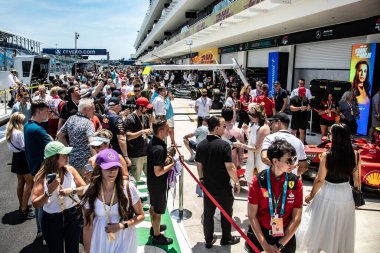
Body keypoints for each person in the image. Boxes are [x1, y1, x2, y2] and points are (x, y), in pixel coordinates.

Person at [296, 123, 360, 253]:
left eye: (330, 133)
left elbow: (320, 179)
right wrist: (357, 196)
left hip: (328, 193)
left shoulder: (327, 155)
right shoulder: (355, 154)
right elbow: (357, 179)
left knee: (319, 226)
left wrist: (311, 195)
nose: (328, 136)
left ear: (336, 137)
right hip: (346, 194)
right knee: (340, 228)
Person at [81, 148, 145, 253]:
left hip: (125, 238)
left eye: (115, 167)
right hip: (100, 239)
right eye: (108, 168)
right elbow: (87, 225)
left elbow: (141, 215)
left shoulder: (128, 188)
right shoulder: (89, 191)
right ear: (99, 169)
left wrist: (122, 225)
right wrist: (87, 251)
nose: (112, 171)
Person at [246, 139, 303, 253]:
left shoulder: (295, 182)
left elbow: (296, 219)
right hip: (260, 235)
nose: (292, 164)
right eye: (288, 160)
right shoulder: (258, 181)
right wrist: (266, 246)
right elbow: (252, 216)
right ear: (275, 161)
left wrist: (280, 245)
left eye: (294, 159)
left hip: (285, 237)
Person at [31, 141, 86, 253]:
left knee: (73, 250)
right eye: (64, 155)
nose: (67, 157)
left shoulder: (70, 170)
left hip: (73, 215)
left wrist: (71, 190)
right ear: (54, 158)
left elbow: (85, 188)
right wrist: (49, 192)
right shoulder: (42, 178)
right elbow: (35, 203)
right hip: (52, 219)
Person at [195, 116, 241, 248]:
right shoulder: (224, 145)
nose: (225, 128)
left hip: (208, 187)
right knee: (226, 213)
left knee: (208, 214)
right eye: (223, 126)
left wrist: (202, 179)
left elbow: (199, 165)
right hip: (223, 188)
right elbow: (230, 167)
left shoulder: (201, 145)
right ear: (216, 128)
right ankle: (226, 238)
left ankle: (208, 240)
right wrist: (236, 182)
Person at [24, 100, 52, 239]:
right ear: (38, 111)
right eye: (47, 111)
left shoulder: (28, 125)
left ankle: (41, 230)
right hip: (41, 169)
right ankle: (43, 231)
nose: (49, 114)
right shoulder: (38, 129)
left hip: (34, 167)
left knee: (39, 200)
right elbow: (53, 146)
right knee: (42, 203)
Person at [147, 120, 174, 245]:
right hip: (158, 184)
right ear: (161, 131)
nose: (169, 131)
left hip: (152, 183)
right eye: (167, 129)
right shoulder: (158, 149)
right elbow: (158, 171)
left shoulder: (153, 142)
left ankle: (154, 228)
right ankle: (157, 236)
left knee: (153, 207)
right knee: (158, 211)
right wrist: (172, 164)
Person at [57, 98, 95, 176]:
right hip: (87, 164)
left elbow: (59, 136)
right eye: (92, 109)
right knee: (89, 185)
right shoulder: (88, 123)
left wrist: (68, 150)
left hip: (72, 161)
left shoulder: (71, 119)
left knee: (76, 185)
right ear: (85, 110)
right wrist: (96, 158)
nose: (94, 111)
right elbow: (92, 143)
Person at [6, 113, 34, 219]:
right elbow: (24, 147)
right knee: (30, 184)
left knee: (20, 183)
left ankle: (22, 204)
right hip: (23, 158)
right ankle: (23, 209)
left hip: (16, 158)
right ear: (19, 122)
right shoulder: (19, 133)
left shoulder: (10, 132)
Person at [235, 103, 270, 185]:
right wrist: (247, 131)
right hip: (252, 159)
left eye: (251, 114)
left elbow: (256, 148)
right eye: (249, 114)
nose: (250, 116)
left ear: (258, 115)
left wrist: (241, 145)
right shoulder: (254, 124)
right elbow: (251, 140)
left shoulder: (263, 128)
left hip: (259, 161)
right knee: (250, 183)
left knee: (256, 185)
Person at [125, 97, 152, 182]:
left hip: (146, 152)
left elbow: (147, 130)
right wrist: (142, 131)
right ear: (140, 107)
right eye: (145, 107)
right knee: (134, 180)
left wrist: (149, 131)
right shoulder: (129, 119)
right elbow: (128, 136)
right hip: (135, 155)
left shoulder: (145, 117)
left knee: (151, 178)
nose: (147, 109)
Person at [101, 97, 132, 166]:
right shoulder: (117, 119)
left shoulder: (105, 117)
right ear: (118, 106)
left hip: (107, 149)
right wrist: (126, 156)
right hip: (117, 152)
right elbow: (121, 139)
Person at [222, 107, 245, 171]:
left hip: (219, 162)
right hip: (233, 163)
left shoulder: (217, 130)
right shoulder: (239, 131)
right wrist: (240, 163)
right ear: (232, 117)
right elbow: (241, 150)